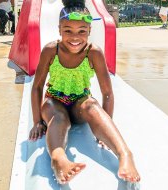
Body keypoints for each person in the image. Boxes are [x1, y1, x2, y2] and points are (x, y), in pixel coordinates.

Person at [29, 0, 141, 185]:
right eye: (68, 31)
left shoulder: (93, 52)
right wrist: (36, 122)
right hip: (54, 101)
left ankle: (125, 154)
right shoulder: (51, 50)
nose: (75, 37)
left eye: (82, 31)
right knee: (58, 117)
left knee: (91, 105)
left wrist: (103, 129)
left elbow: (107, 93)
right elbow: (37, 87)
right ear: (59, 29)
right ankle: (58, 159)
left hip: (80, 103)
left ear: (89, 31)